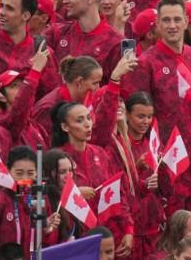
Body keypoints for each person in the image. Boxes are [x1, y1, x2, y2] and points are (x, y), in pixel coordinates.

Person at [126, 0, 191, 216]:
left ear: (186, 21)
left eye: (177, 19)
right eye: (166, 20)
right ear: (157, 25)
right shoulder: (146, 63)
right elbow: (135, 117)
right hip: (165, 164)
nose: (172, 25)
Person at [50, 101, 135, 255]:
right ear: (65, 127)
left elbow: (118, 193)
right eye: (79, 120)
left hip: (105, 233)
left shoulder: (100, 153)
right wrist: (74, 194)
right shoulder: (57, 157)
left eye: (89, 118)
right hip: (74, 237)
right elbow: (47, 196)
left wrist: (128, 229)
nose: (88, 124)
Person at [107, 92, 165, 259]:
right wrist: (136, 168)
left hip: (152, 224)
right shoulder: (119, 146)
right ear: (126, 115)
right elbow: (119, 185)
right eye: (140, 116)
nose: (145, 122)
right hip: (129, 224)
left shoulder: (153, 144)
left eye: (149, 116)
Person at [43, 0, 124, 79]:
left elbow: (121, 89)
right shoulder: (57, 32)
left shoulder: (115, 43)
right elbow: (28, 44)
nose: (64, 1)